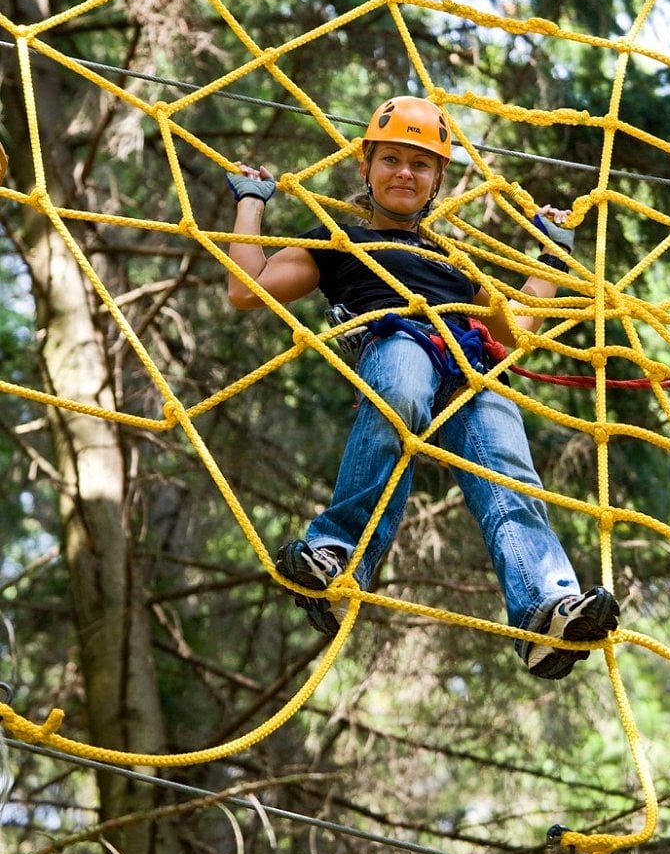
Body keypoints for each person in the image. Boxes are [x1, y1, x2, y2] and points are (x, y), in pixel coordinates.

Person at [226, 95, 619, 679]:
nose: (404, 173)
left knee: (507, 463)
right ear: (366, 167)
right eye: (391, 160)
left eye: (420, 164)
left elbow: (514, 331)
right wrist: (252, 204)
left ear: (437, 179)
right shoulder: (336, 237)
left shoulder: (454, 259)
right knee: (403, 383)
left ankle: (545, 611)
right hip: (397, 341)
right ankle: (338, 558)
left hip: (470, 363)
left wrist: (548, 257)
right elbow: (246, 288)